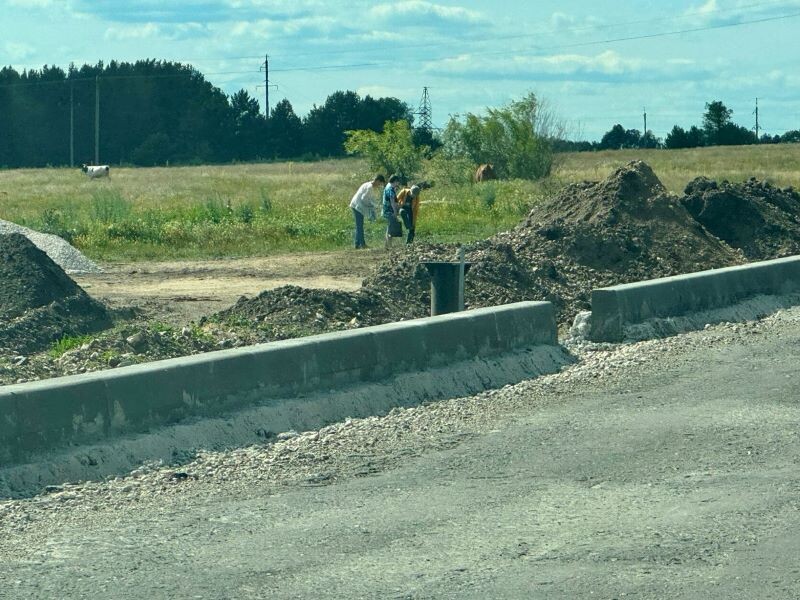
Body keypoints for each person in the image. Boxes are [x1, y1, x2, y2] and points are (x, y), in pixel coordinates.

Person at [349, 174, 385, 249]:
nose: (379, 185)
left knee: (359, 225)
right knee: (360, 226)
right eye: (380, 183)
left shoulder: (368, 184)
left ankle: (357, 244)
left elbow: (368, 199)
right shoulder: (369, 187)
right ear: (377, 181)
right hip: (357, 206)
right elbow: (364, 199)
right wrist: (372, 206)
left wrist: (374, 204)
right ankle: (362, 244)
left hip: (356, 205)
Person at [382, 174, 403, 249]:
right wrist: (395, 211)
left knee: (389, 228)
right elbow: (392, 202)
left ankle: (386, 245)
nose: (398, 184)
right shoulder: (390, 189)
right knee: (391, 229)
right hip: (389, 210)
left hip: (386, 210)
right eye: (397, 182)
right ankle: (390, 246)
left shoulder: (387, 186)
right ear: (395, 181)